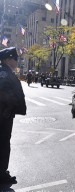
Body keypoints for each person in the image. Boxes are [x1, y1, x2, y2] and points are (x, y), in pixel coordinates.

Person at [0, 47, 27, 184]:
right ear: (7, 59)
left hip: (5, 114)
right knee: (3, 143)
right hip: (3, 116)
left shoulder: (4, 71)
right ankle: (2, 174)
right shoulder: (4, 73)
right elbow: (3, 94)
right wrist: (7, 109)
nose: (17, 61)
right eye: (15, 58)